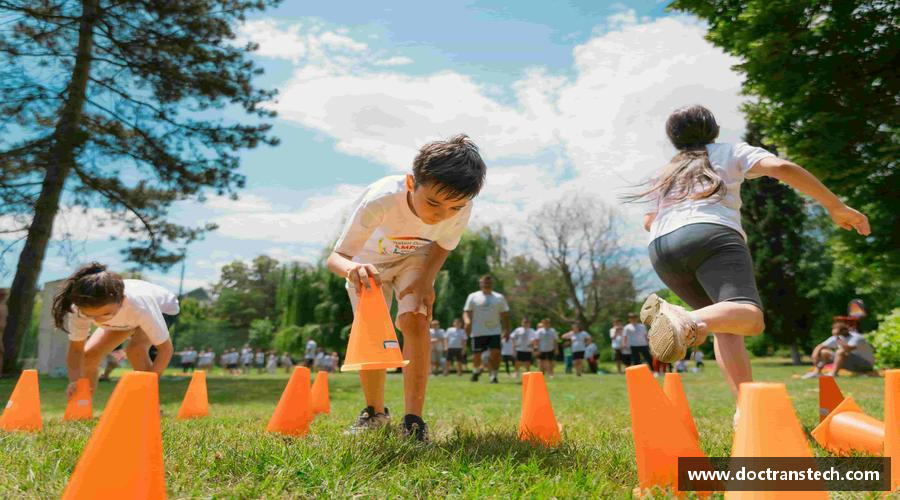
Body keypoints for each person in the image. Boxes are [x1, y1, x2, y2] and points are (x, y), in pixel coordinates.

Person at [630, 105, 869, 403]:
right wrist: (836, 206)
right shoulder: (729, 151)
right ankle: (683, 320)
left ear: (674, 140)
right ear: (714, 130)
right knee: (750, 317)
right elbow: (781, 168)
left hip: (662, 248)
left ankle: (746, 411)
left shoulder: (665, 172)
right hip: (710, 234)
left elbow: (648, 222)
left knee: (726, 326)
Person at [325, 134, 485, 442]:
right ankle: (374, 412)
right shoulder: (381, 200)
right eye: (433, 203)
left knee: (415, 318)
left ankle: (414, 421)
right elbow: (336, 258)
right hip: (367, 267)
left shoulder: (460, 209)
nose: (441, 214)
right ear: (412, 183)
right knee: (372, 328)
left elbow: (443, 244)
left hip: (415, 259)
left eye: (454, 207)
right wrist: (353, 270)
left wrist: (425, 281)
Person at [53, 262, 179, 398]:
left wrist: (149, 384)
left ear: (122, 300)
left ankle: (149, 404)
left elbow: (165, 350)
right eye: (90, 316)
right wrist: (75, 381)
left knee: (135, 350)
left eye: (105, 314)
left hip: (164, 308)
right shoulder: (79, 310)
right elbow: (76, 350)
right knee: (89, 356)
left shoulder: (139, 306)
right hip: (125, 318)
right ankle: (82, 404)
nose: (99, 320)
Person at [464, 275, 510, 384]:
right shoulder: (473, 296)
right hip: (478, 331)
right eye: (484, 283)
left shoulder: (499, 297)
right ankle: (475, 371)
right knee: (477, 355)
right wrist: (467, 321)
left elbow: (505, 315)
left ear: (492, 284)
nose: (486, 285)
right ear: (480, 284)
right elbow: (466, 311)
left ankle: (493, 375)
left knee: (495, 353)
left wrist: (506, 329)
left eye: (488, 283)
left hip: (494, 330)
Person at [804, 321, 875, 378]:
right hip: (851, 363)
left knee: (840, 351)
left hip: (865, 364)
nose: (835, 336)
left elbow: (848, 349)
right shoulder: (837, 337)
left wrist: (839, 340)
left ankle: (833, 373)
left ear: (844, 331)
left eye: (837, 333)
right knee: (824, 352)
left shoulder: (857, 337)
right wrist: (814, 356)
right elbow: (820, 346)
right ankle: (816, 372)